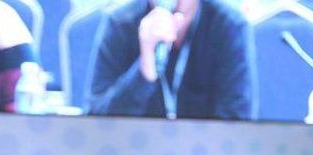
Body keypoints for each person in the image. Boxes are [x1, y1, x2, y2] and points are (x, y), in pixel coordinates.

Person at [87, 0, 253, 120]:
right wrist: (144, 70)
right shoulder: (120, 22)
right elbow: (96, 123)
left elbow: (237, 119)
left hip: (205, 152)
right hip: (135, 150)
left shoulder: (229, 25)